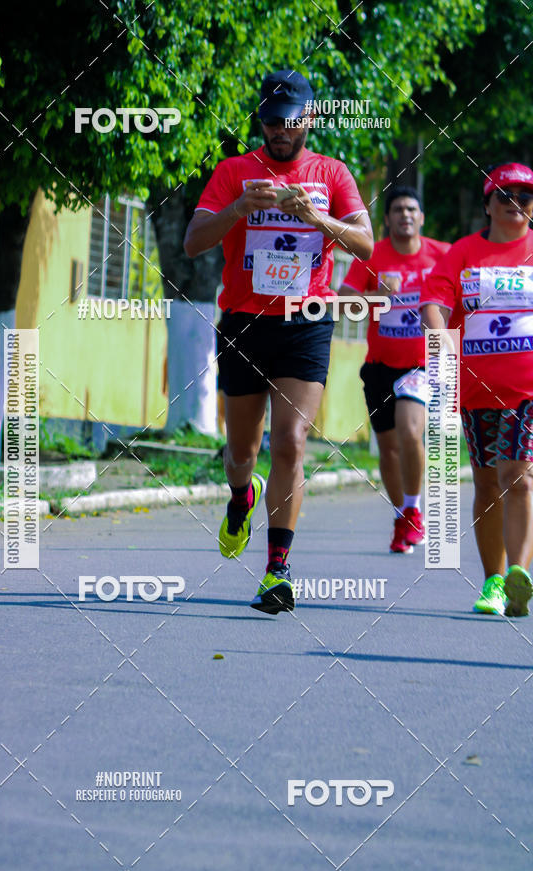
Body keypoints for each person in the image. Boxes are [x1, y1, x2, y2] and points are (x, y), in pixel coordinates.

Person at [183, 69, 373, 614]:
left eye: (290, 122)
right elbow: (194, 242)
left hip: (306, 321)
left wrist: (316, 216)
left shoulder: (332, 173)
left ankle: (276, 570)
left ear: (309, 118)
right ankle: (242, 495)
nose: (280, 132)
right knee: (242, 452)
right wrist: (240, 209)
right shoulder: (234, 171)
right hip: (244, 323)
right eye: (271, 122)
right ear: (260, 122)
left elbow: (365, 244)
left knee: (290, 442)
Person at [420, 162, 533, 616]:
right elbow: (434, 303)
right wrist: (441, 344)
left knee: (519, 477)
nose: (516, 205)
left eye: (525, 197)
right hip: (474, 390)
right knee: (487, 486)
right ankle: (492, 581)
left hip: (527, 387)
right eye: (505, 197)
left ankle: (518, 575)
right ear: (487, 204)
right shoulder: (463, 253)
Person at [339, 187, 450, 553]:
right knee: (387, 449)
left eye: (412, 209)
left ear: (421, 217)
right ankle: (403, 516)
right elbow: (344, 302)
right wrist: (378, 296)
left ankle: (415, 510)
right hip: (379, 367)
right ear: (386, 219)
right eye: (398, 209)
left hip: (421, 364)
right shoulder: (373, 255)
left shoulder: (442, 255)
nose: (405, 215)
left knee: (409, 429)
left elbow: (462, 296)